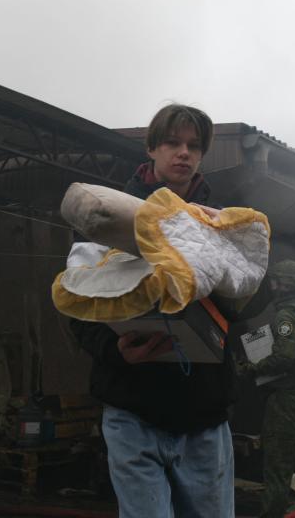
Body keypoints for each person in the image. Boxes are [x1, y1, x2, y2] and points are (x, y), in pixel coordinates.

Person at [69, 104, 237, 517]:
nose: (184, 153)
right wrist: (114, 351)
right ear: (150, 148)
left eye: (194, 146)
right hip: (133, 409)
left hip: (204, 416)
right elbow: (78, 304)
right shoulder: (107, 216)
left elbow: (245, 304)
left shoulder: (223, 222)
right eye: (172, 142)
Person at [238, 260, 295, 518]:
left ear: (286, 284)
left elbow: (283, 359)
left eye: (276, 281)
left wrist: (249, 368)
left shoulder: (286, 317)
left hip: (289, 402)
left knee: (278, 470)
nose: (273, 286)